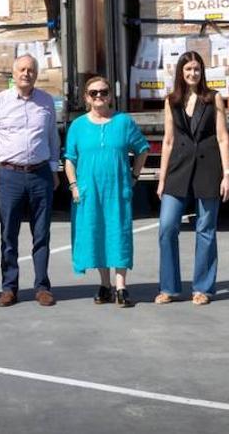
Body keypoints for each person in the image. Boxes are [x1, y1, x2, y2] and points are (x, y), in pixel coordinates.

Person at [156, 51, 229, 306]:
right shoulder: (171, 101)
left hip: (208, 169)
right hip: (177, 170)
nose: (193, 73)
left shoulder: (213, 99)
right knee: (167, 227)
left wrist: (227, 174)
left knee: (206, 229)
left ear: (202, 72)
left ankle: (203, 288)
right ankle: (169, 287)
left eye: (197, 69)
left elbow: (223, 137)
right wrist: (161, 178)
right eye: (188, 69)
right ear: (181, 72)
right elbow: (167, 141)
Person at [0, 54, 61, 307]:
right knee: (8, 234)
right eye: (22, 69)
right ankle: (9, 287)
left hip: (40, 175)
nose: (26, 73)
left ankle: (42, 287)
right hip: (10, 175)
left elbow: (52, 138)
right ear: (13, 74)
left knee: (41, 233)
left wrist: (54, 169)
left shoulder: (47, 101)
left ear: (36, 74)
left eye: (31, 70)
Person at [64, 75, 150, 307]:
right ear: (86, 98)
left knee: (118, 234)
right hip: (88, 192)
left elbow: (142, 149)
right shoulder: (78, 126)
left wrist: (134, 175)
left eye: (103, 92)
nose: (99, 96)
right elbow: (70, 159)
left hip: (117, 190)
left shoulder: (124, 122)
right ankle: (105, 284)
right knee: (97, 234)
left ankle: (121, 286)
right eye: (94, 93)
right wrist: (73, 186)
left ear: (110, 95)